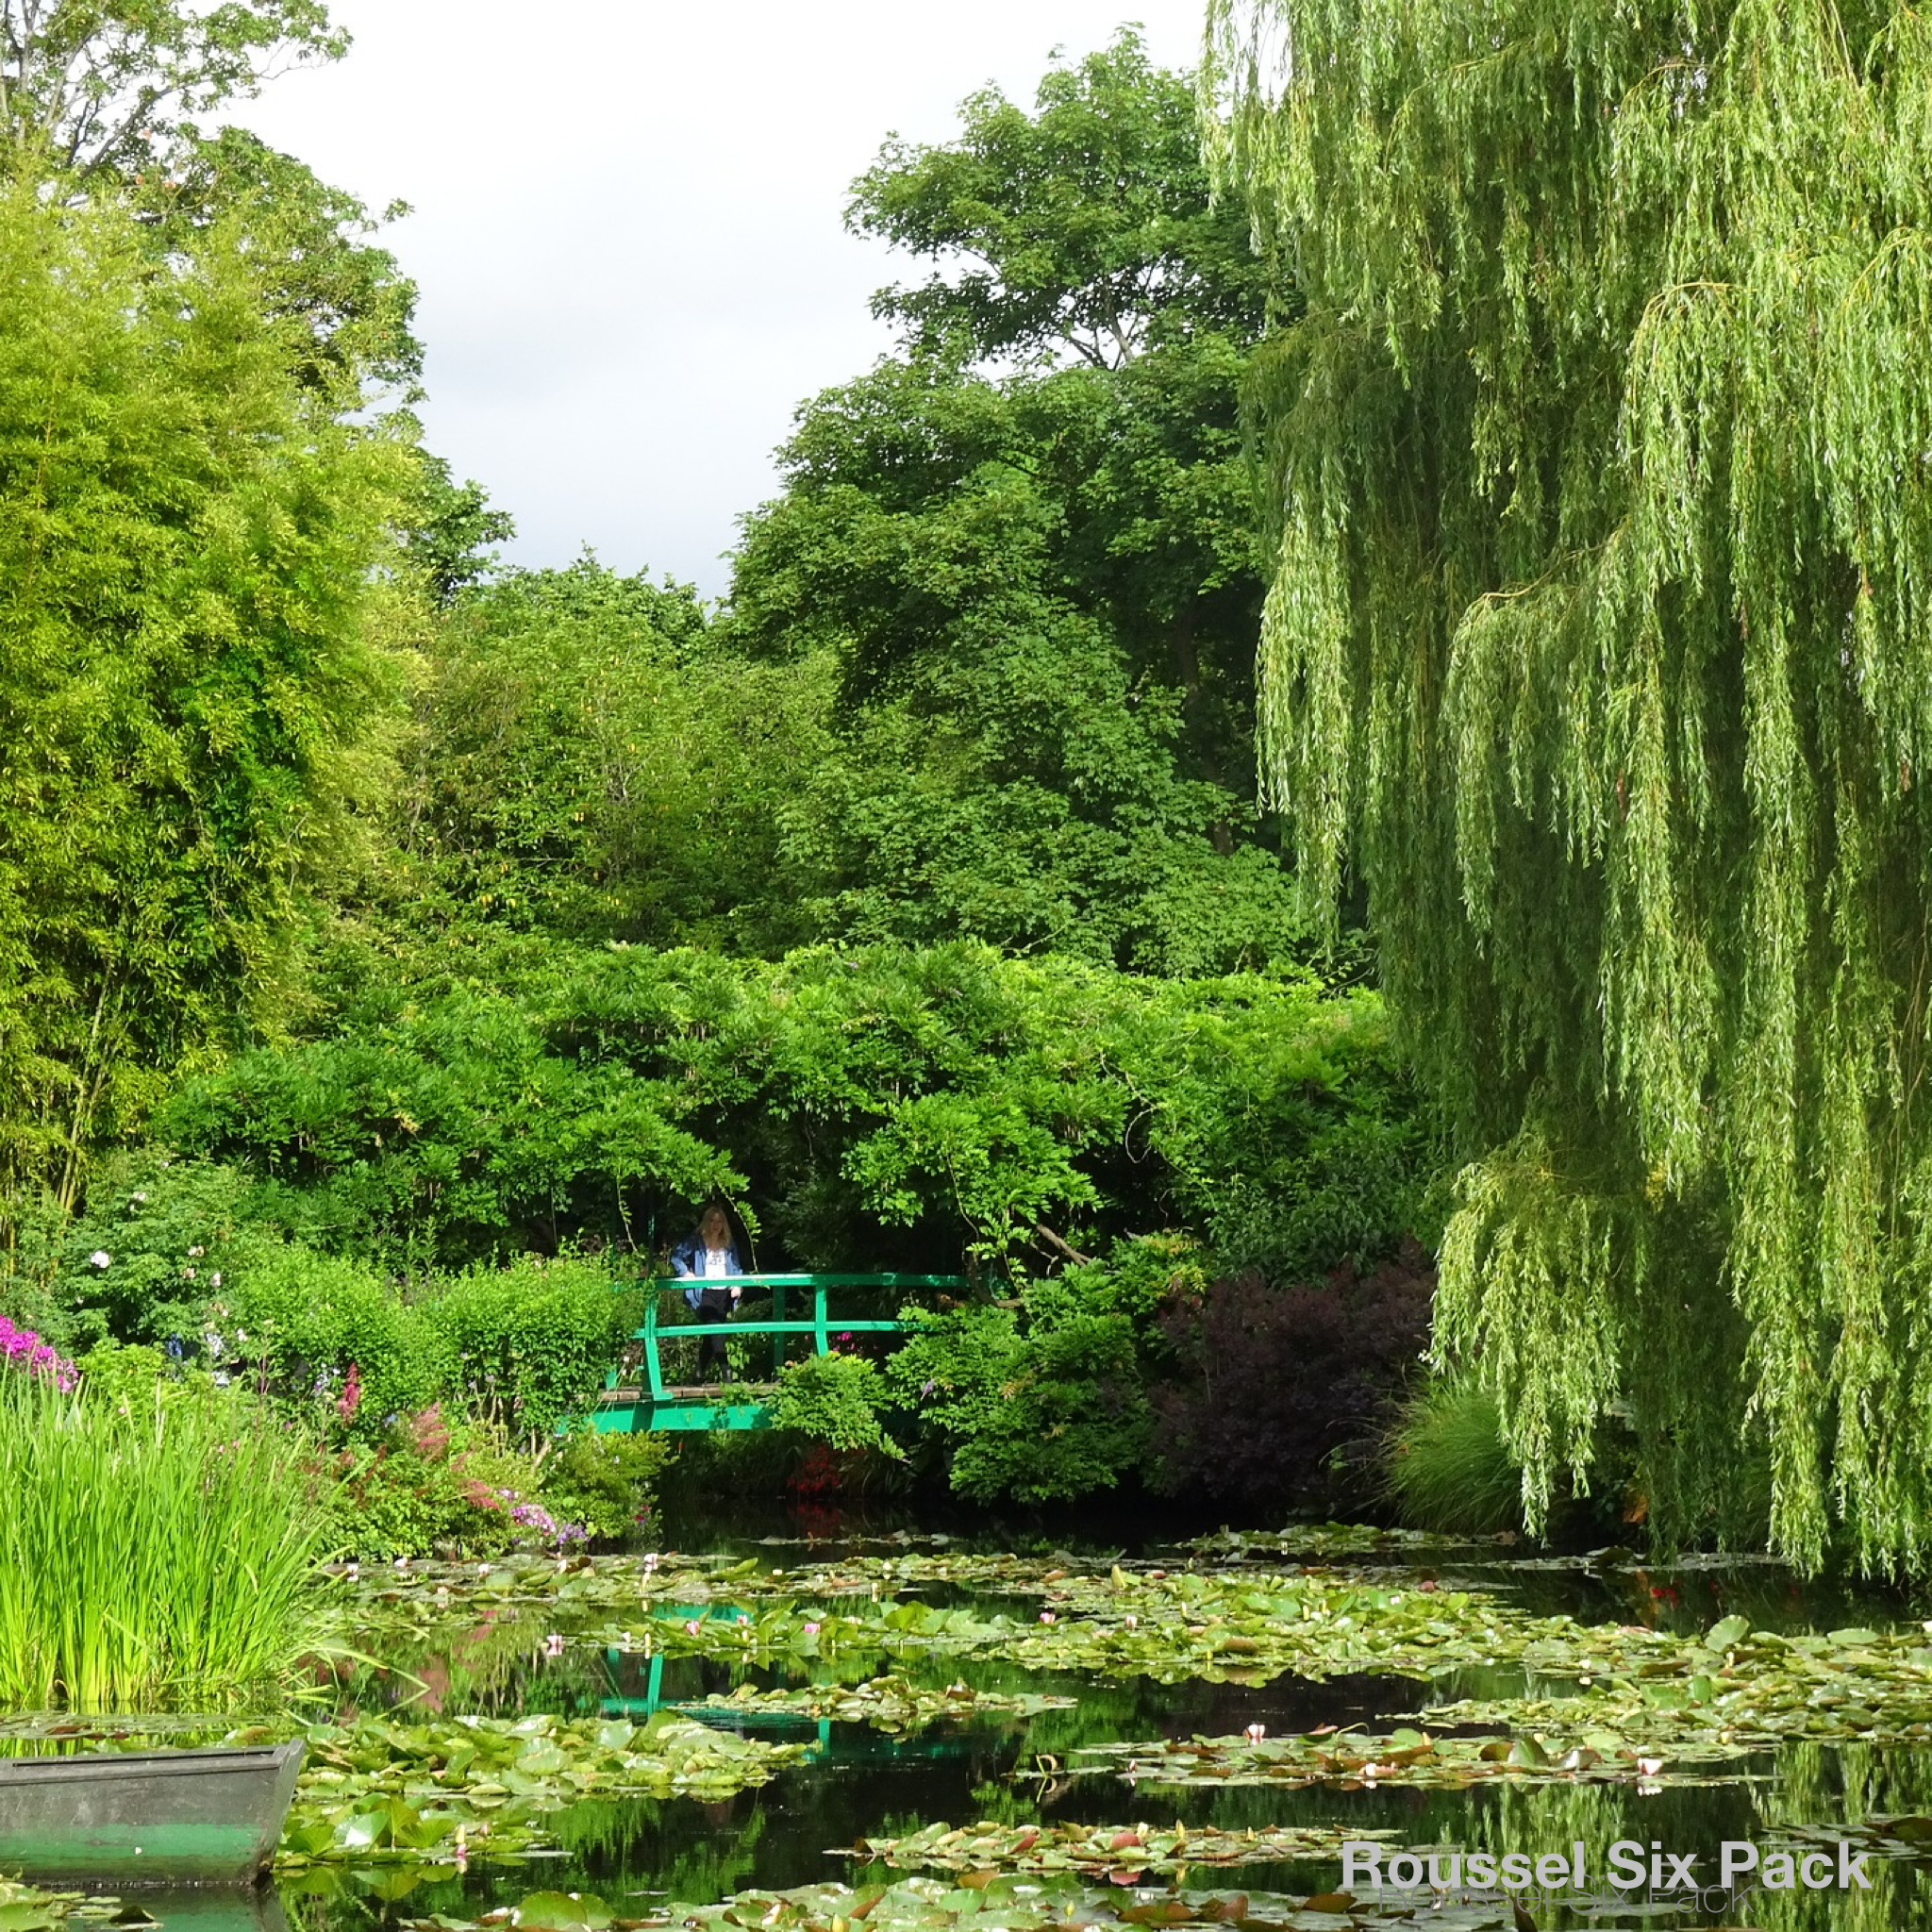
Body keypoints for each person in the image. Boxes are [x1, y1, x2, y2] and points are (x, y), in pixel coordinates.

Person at [668, 1203, 743, 1381]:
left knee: (712, 1332)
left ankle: (698, 1373)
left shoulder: (728, 1243)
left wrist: (738, 1285)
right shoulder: (696, 1241)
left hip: (724, 1293)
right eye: (712, 1221)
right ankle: (726, 1370)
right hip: (704, 1292)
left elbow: (736, 1266)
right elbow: (676, 1256)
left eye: (719, 1222)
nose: (715, 1225)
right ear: (706, 1223)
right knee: (715, 1329)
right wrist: (686, 1273)